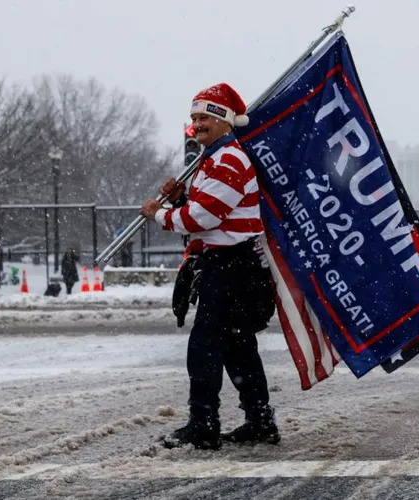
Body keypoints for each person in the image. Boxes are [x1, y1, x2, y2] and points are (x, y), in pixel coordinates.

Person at [140, 82, 278, 450]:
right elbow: (207, 206)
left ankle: (204, 423)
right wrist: (182, 196)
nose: (196, 124)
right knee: (237, 346)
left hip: (233, 266)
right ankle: (259, 420)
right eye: (193, 118)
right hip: (234, 265)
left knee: (205, 346)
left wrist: (161, 214)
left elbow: (204, 217)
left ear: (223, 121)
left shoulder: (229, 160)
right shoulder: (214, 160)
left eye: (204, 117)